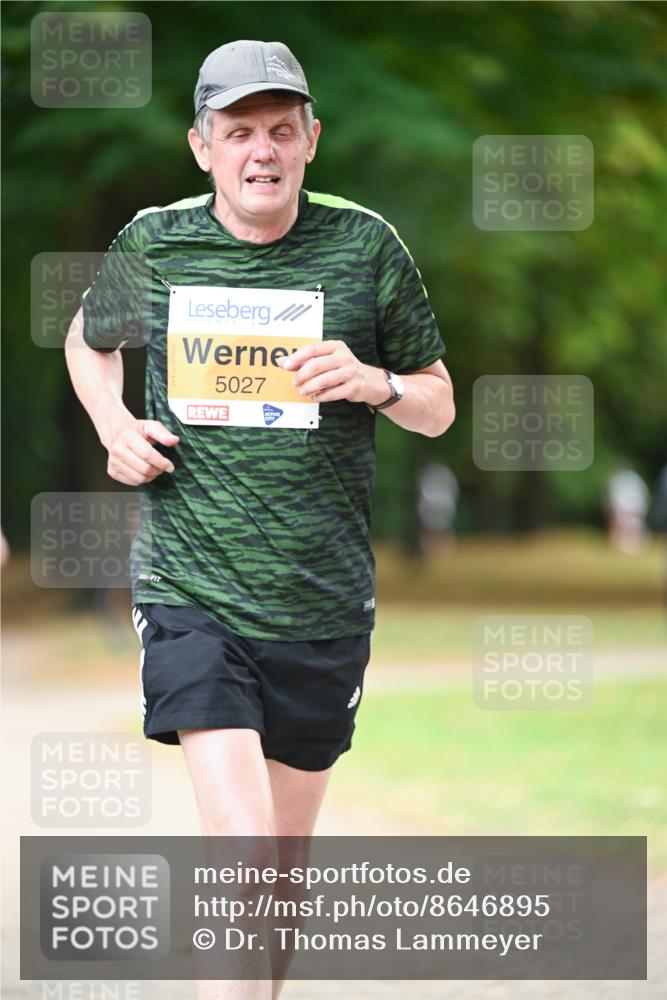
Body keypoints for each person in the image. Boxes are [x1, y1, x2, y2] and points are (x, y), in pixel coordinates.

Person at [65, 38, 455, 996]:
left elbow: (439, 403)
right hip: (191, 587)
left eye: (281, 130)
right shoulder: (156, 240)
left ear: (311, 139)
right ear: (203, 146)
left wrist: (373, 382)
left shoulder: (366, 246)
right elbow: (89, 337)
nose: (262, 151)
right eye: (239, 132)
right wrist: (113, 422)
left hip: (322, 602)